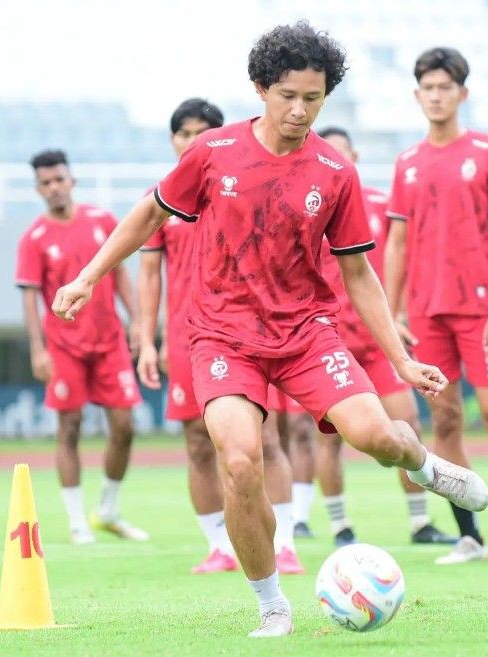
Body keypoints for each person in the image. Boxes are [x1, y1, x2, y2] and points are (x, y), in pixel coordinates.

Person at [51, 23, 488, 637]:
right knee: (239, 461)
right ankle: (271, 604)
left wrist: (401, 362)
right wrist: (88, 277)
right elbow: (149, 214)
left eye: (314, 98)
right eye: (288, 95)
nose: (300, 110)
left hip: (306, 334)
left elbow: (358, 274)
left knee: (382, 439)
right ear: (260, 89)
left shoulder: (335, 172)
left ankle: (424, 466)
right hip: (222, 336)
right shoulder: (213, 154)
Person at [385, 47, 488, 565]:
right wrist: (393, 313)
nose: (436, 96)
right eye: (427, 88)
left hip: (481, 312)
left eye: (445, 87)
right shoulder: (407, 163)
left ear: (462, 93)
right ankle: (470, 537)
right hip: (427, 315)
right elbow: (397, 242)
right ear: (417, 95)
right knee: (447, 422)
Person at [137, 98, 304, 574]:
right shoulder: (162, 202)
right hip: (186, 340)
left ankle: (286, 541)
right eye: (184, 133)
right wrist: (148, 340)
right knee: (195, 441)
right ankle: (220, 546)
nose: (193, 141)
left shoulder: (241, 188)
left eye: (203, 132)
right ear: (173, 141)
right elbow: (150, 275)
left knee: (264, 440)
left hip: (243, 333)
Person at [283, 126, 456, 547]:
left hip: (377, 343)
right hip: (329, 342)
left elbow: (394, 262)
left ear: (354, 158)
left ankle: (420, 523)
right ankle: (340, 526)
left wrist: (396, 312)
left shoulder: (380, 204)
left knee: (407, 423)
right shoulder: (303, 207)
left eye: (343, 154)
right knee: (331, 437)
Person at [15, 149, 148, 545]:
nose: (54, 187)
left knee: (125, 426)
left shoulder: (101, 220)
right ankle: (77, 521)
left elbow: (120, 273)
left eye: (59, 179)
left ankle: (107, 509)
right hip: (64, 347)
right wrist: (38, 351)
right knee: (69, 427)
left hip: (109, 343)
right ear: (38, 189)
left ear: (71, 180)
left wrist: (138, 322)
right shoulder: (33, 239)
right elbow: (29, 298)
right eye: (46, 182)